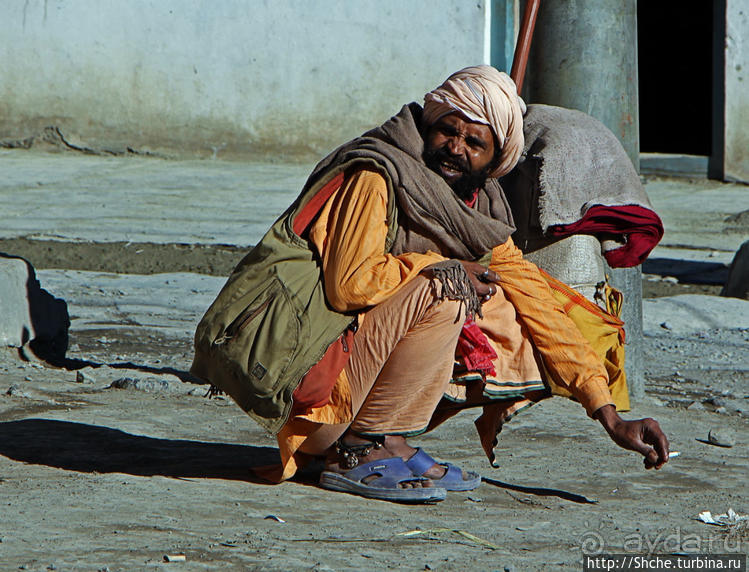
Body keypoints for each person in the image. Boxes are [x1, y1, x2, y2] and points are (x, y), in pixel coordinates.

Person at [191, 65, 670, 503]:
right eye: (446, 130)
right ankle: (353, 447)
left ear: (495, 157)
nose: (455, 148)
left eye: (473, 143)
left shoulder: (476, 213)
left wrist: (607, 414)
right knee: (445, 287)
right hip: (308, 389)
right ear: (428, 126)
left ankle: (389, 438)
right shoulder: (378, 174)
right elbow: (350, 286)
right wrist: (438, 268)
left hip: (347, 374)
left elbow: (540, 304)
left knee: (522, 311)